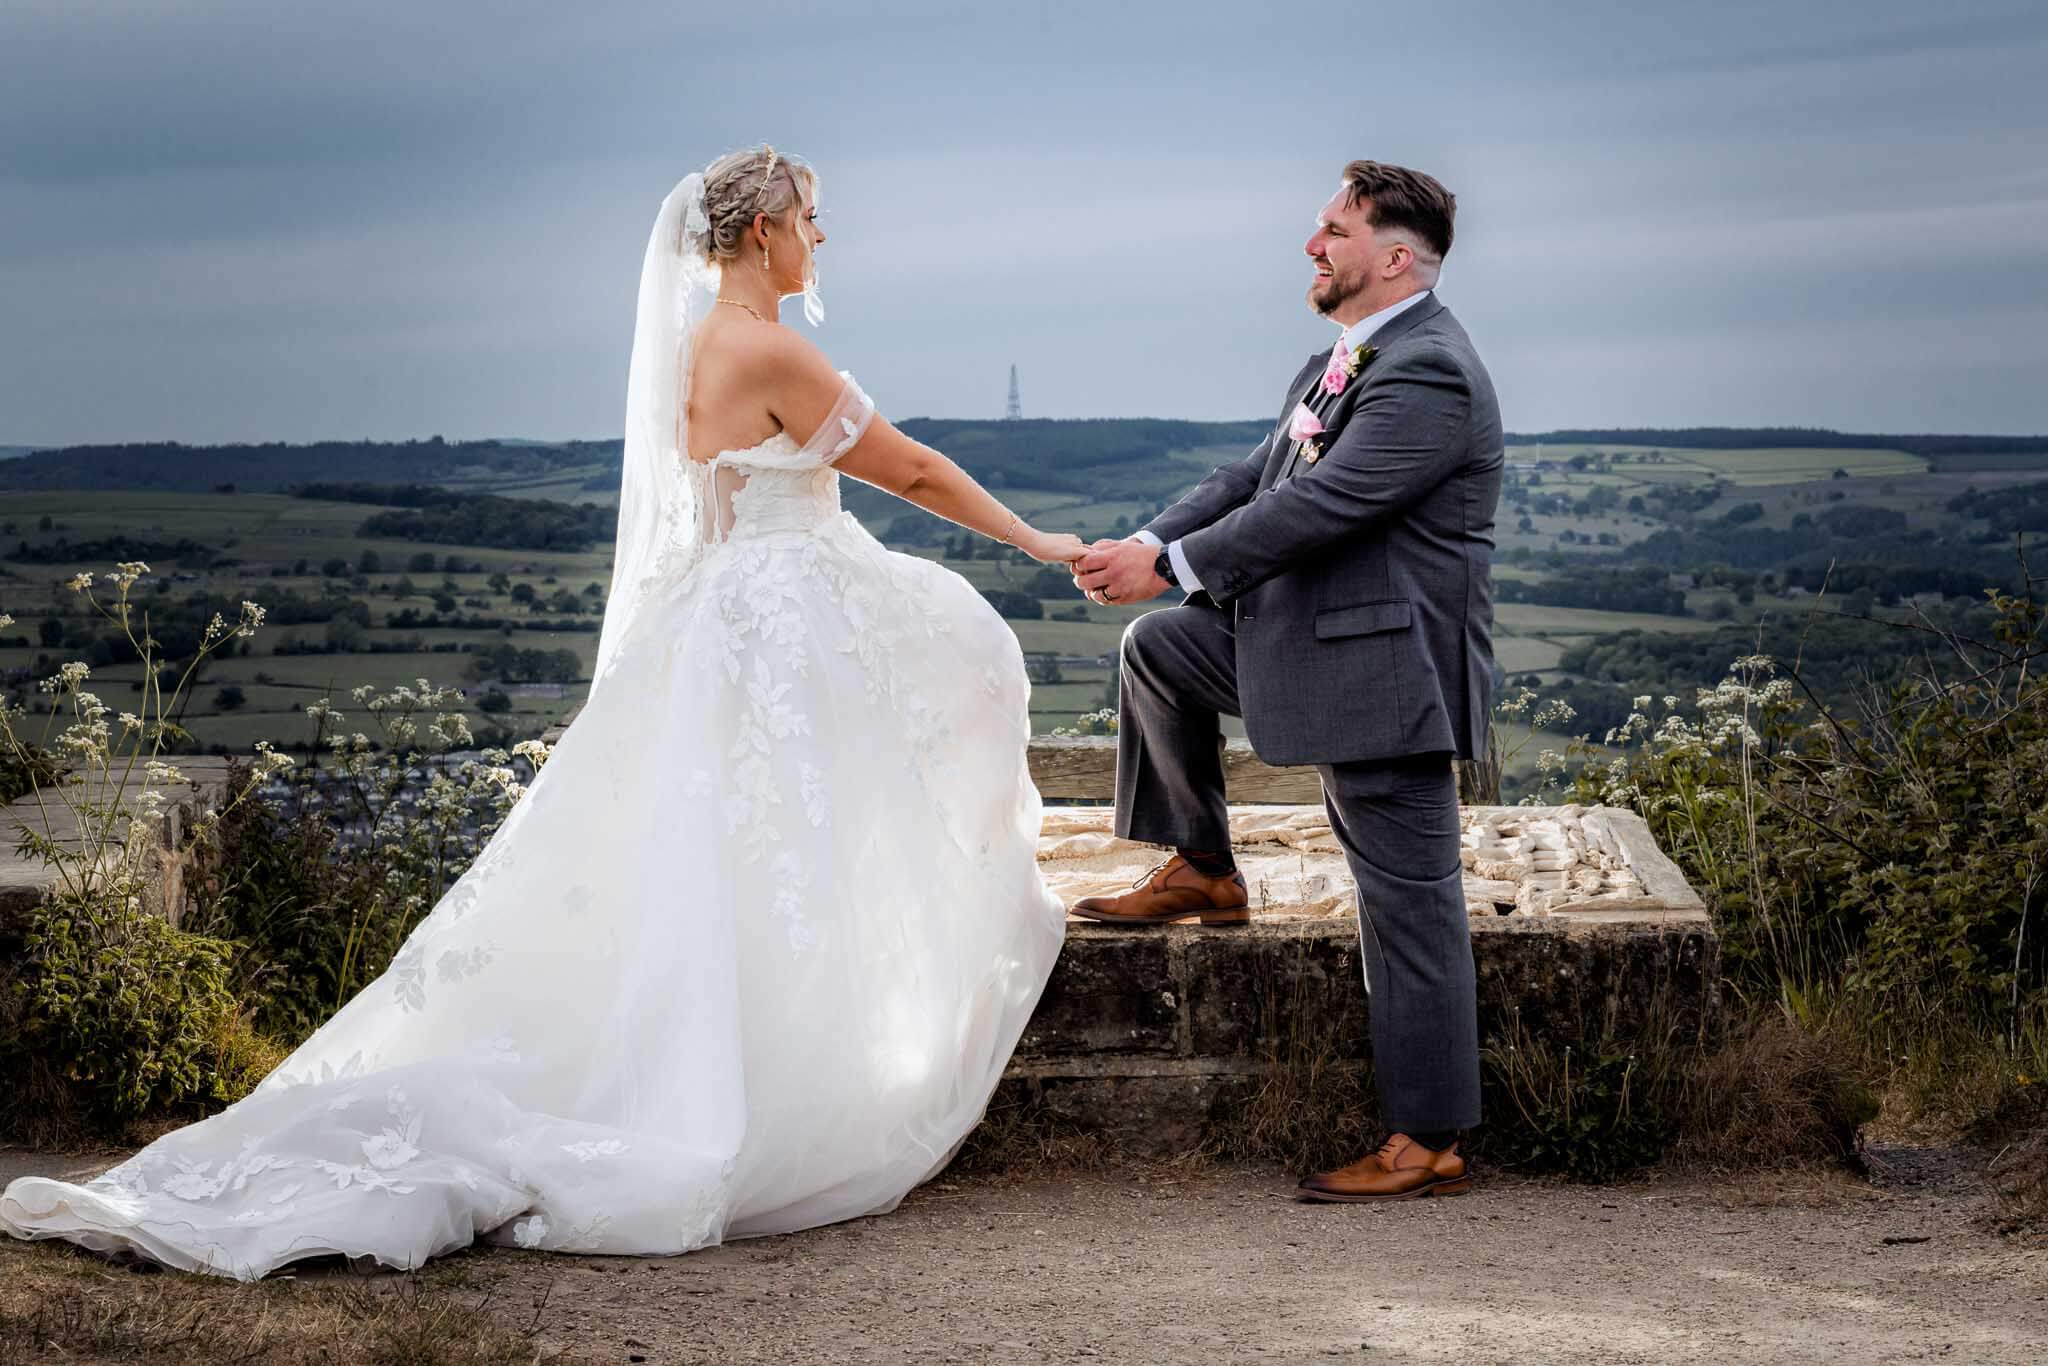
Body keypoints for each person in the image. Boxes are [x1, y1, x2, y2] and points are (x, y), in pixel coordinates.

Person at [1, 146, 1083, 1278]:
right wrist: (1042, 540)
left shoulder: (691, 346)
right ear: (763, 227)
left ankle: (754, 1057)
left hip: (722, 624)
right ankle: (778, 1081)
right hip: (783, 613)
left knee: (720, 866)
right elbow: (904, 470)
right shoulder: (768, 346)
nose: (823, 237)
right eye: (813, 216)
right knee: (938, 687)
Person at [1068, 160, 1502, 1203]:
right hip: (1314, 642)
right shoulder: (1343, 359)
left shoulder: (1429, 370)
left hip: (1384, 673)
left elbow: (1328, 503)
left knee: (1407, 904)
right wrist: (1144, 538)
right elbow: (1250, 480)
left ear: (1393, 257)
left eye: (1331, 230)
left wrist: (1170, 569)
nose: (1310, 245)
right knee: (1161, 650)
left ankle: (1428, 1137)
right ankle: (1202, 867)